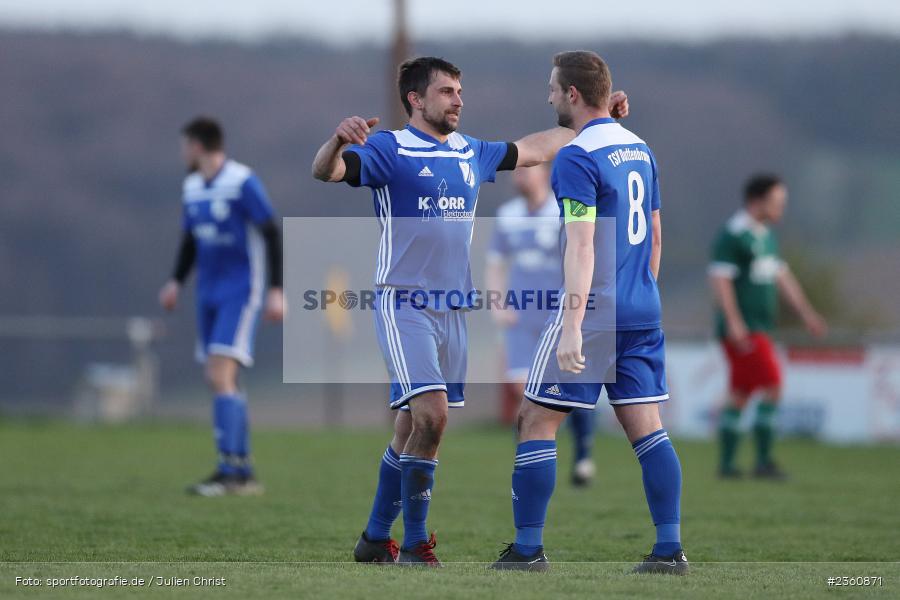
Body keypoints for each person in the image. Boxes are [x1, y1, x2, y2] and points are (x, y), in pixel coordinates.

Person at [312, 56, 628, 565]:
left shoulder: (469, 152)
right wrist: (337, 142)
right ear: (415, 99)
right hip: (403, 302)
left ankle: (374, 538)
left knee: (410, 428)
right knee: (431, 417)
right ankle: (414, 545)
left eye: (460, 90)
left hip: (453, 308)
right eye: (446, 92)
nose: (459, 100)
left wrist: (600, 119)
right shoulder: (390, 148)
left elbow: (536, 148)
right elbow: (325, 171)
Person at [491, 51, 686, 574]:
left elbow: (581, 246)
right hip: (642, 306)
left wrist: (573, 326)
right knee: (647, 428)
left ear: (573, 94)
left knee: (535, 420)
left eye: (553, 88)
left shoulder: (577, 157)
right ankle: (670, 550)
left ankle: (528, 550)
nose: (549, 96)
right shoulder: (639, 148)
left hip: (594, 309)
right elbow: (656, 235)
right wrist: (639, 293)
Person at [159, 117, 285, 496]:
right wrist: (176, 281)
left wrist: (277, 290)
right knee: (223, 379)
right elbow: (190, 240)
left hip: (241, 291)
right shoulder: (193, 186)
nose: (183, 153)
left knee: (218, 374)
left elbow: (270, 232)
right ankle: (240, 471)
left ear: (197, 146)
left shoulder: (242, 181)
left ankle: (230, 471)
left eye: (185, 146)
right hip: (208, 292)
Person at [485, 163, 598, 487]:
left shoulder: (563, 210)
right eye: (516, 172)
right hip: (521, 317)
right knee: (523, 389)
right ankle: (531, 462)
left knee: (573, 387)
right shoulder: (508, 214)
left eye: (525, 170)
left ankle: (582, 455)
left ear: (544, 174)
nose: (517, 176)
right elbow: (495, 263)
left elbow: (582, 254)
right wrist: (497, 302)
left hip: (559, 316)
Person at [708, 174, 827, 480]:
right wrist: (734, 322)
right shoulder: (734, 234)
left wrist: (807, 313)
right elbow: (720, 280)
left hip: (760, 326)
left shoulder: (766, 235)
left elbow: (782, 278)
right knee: (773, 385)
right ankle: (763, 462)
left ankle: (727, 466)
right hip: (745, 330)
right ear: (756, 201)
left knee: (741, 393)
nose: (781, 208)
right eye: (777, 202)